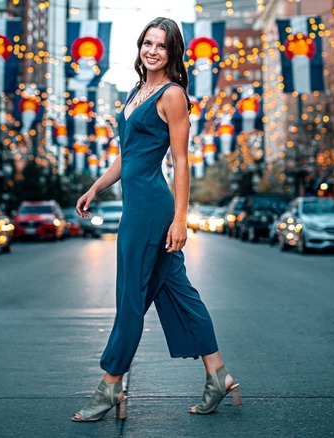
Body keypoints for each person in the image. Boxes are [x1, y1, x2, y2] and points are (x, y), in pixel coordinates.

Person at [71, 17, 240, 422]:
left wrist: (180, 219)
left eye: (161, 46)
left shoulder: (172, 95)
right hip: (137, 205)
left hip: (151, 209)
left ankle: (111, 384)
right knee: (176, 291)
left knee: (131, 297)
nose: (152, 51)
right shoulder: (136, 91)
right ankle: (218, 374)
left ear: (172, 52)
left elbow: (180, 161)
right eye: (148, 43)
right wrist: (96, 187)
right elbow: (127, 156)